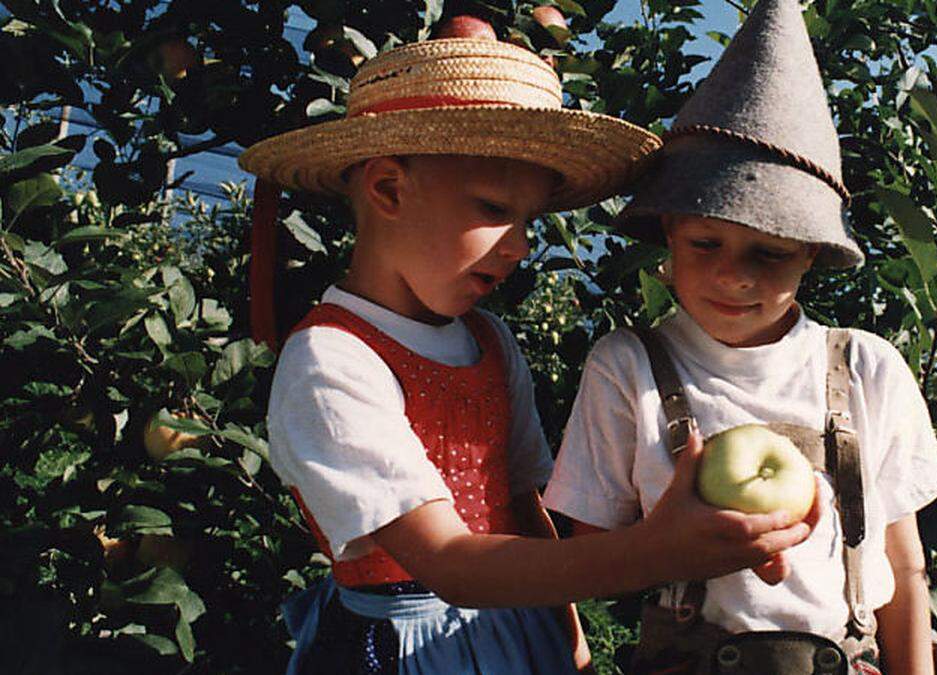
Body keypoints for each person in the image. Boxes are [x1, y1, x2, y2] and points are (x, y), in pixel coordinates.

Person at [237, 34, 815, 675]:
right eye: (492, 209)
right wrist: (658, 552)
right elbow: (450, 565)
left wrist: (570, 638)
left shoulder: (487, 341)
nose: (517, 246)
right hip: (406, 650)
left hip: (520, 627)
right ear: (389, 190)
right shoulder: (331, 361)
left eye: (529, 222)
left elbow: (521, 508)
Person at [542, 1, 937, 673]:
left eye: (769, 252)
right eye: (707, 241)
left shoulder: (866, 370)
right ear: (669, 232)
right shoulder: (630, 367)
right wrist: (668, 547)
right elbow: (584, 560)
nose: (733, 274)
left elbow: (903, 567)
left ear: (813, 255)